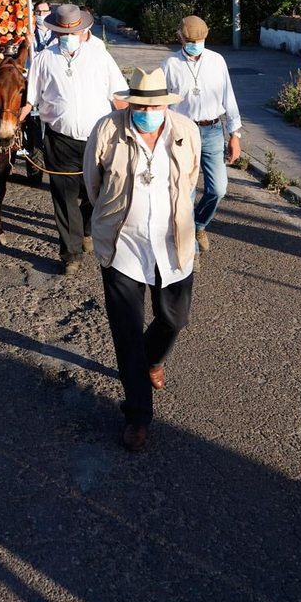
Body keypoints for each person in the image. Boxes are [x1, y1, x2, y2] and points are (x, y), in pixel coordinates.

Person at [83, 67, 200, 452]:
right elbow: (93, 183)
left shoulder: (186, 131)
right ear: (130, 102)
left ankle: (150, 360)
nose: (147, 111)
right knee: (126, 333)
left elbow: (191, 179)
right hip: (123, 247)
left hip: (173, 245)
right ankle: (137, 416)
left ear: (166, 105)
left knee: (175, 318)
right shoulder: (107, 130)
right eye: (140, 104)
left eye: (155, 105)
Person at [21, 3, 128, 272]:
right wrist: (14, 123)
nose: (68, 37)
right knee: (65, 197)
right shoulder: (44, 58)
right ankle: (71, 253)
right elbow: (30, 98)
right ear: (56, 32)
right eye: (63, 33)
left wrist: (130, 128)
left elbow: (119, 95)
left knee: (99, 193)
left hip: (99, 139)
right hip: (60, 140)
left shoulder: (100, 55)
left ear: (83, 31)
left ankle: (87, 229)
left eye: (73, 32)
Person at [160, 15, 242, 253]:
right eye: (190, 39)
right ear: (180, 38)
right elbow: (162, 104)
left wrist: (235, 134)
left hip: (213, 130)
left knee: (218, 189)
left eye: (200, 39)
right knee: (184, 191)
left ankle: (198, 224)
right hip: (182, 132)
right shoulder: (169, 65)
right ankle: (189, 248)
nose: (195, 43)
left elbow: (229, 98)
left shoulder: (217, 61)